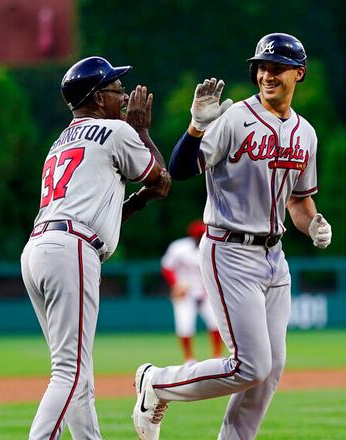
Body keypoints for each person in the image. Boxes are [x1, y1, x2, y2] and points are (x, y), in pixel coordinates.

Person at [132, 33, 332, 440]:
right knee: (251, 365)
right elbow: (182, 169)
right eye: (261, 66)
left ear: (299, 73)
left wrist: (312, 222)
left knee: (270, 370)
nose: (266, 74)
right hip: (230, 251)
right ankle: (156, 383)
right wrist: (194, 128)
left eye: (276, 67)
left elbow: (299, 202)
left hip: (275, 258)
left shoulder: (305, 134)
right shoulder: (234, 118)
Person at [21, 56, 171, 440]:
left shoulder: (59, 142)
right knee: (69, 372)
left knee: (77, 374)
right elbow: (162, 181)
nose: (123, 96)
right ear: (97, 97)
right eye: (116, 89)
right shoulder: (116, 132)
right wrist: (141, 131)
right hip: (72, 249)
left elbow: (106, 205)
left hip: (39, 249)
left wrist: (135, 202)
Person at [161, 219, 223, 364]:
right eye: (199, 235)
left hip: (206, 292)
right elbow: (166, 266)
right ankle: (189, 359)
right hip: (185, 292)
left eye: (203, 234)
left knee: (216, 323)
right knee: (184, 326)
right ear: (192, 236)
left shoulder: (212, 247)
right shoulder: (179, 247)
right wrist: (175, 284)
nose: (201, 237)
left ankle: (217, 355)